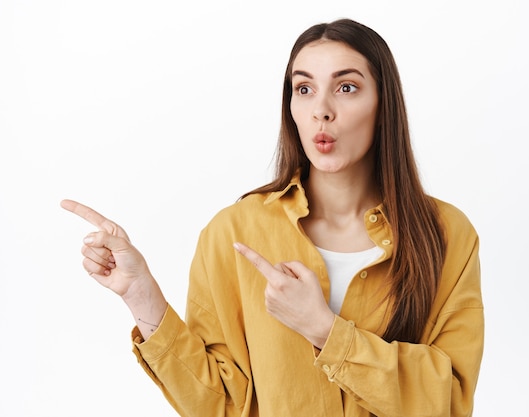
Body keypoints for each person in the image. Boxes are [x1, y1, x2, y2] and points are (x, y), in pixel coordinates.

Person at [61, 18, 483, 417]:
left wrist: (325, 331)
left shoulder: (446, 234)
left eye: (347, 87)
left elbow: (448, 401)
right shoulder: (234, 231)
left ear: (383, 103)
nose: (322, 110)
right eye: (304, 89)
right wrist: (141, 296)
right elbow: (220, 405)